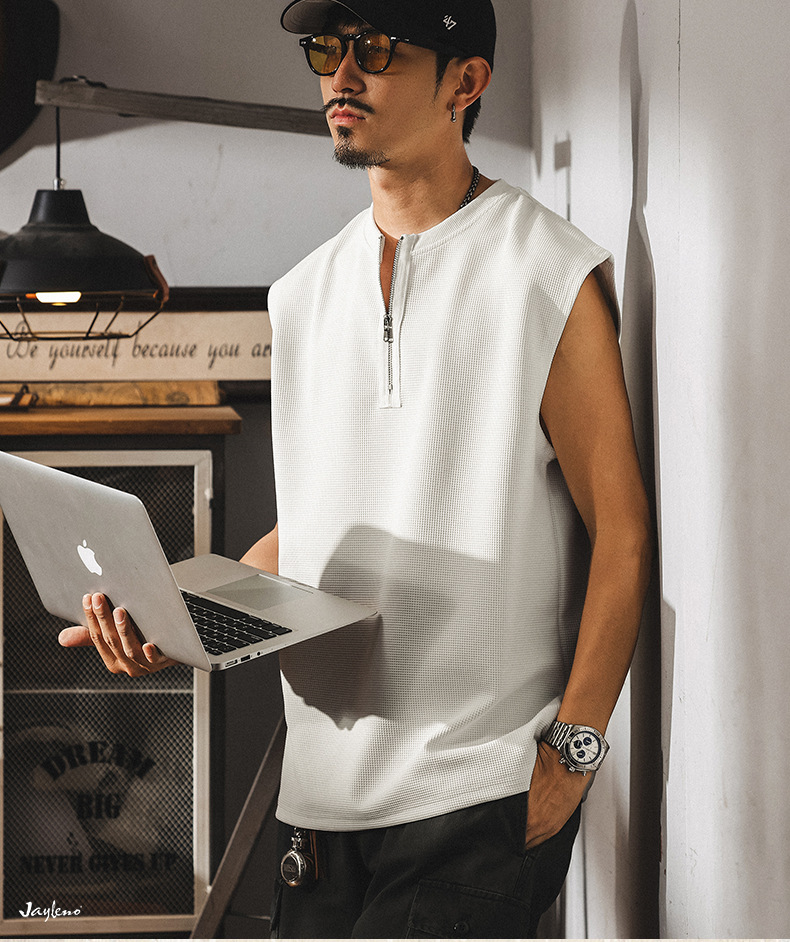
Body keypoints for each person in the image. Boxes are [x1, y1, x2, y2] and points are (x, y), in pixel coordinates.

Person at [60, 0, 653, 935]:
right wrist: (173, 617)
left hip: (476, 795)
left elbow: (622, 532)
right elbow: (309, 531)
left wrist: (572, 756)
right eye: (326, 49)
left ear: (466, 81)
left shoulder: (546, 271)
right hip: (320, 800)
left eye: (376, 50)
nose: (342, 75)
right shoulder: (302, 293)